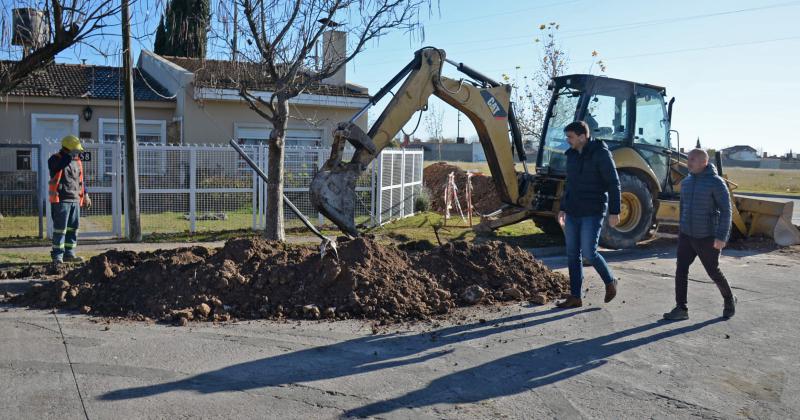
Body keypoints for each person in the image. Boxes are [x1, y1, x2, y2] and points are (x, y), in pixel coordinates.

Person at [663, 148, 736, 320]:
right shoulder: (687, 182)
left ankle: (729, 299)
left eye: (693, 159)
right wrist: (681, 229)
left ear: (704, 162)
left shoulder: (716, 182)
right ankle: (681, 308)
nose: (688, 162)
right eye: (688, 159)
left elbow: (727, 211)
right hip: (687, 235)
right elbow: (683, 208)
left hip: (707, 236)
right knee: (681, 269)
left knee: (713, 271)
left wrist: (721, 237)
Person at [556, 121, 621, 308]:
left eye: (570, 137)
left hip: (593, 211)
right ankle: (575, 297)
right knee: (572, 254)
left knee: (589, 253)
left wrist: (615, 211)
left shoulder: (601, 153)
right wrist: (563, 207)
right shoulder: (572, 156)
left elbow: (613, 183)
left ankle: (610, 281)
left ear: (582, 137)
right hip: (573, 210)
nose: (567, 141)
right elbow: (569, 184)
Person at [48, 135, 91, 264]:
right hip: (61, 200)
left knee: (73, 229)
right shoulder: (55, 159)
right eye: (75, 149)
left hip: (75, 200)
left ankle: (69, 253)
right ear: (67, 148)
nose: (78, 152)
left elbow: (81, 180)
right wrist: (68, 155)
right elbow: (58, 167)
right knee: (60, 229)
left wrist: (86, 195)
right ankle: (57, 257)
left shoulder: (77, 161)